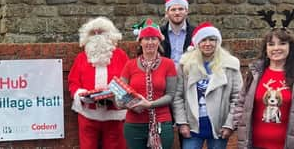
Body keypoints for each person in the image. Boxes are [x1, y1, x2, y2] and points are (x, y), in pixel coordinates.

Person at [231, 27, 294, 149]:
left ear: (290, 47)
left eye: (282, 43)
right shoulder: (255, 74)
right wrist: (240, 125)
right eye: (271, 44)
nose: (276, 48)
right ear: (266, 49)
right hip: (254, 145)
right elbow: (241, 104)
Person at [173, 22, 242, 149]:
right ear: (197, 43)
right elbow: (178, 97)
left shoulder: (230, 65)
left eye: (212, 39)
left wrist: (230, 124)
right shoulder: (186, 65)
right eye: (203, 40)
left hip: (219, 126)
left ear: (218, 42)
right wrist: (182, 123)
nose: (208, 43)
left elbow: (237, 98)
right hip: (192, 125)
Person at [68, 17, 130, 149]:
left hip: (114, 114)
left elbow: (128, 80)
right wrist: (81, 94)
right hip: (88, 114)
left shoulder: (120, 56)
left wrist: (116, 94)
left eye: (100, 32)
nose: (97, 36)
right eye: (93, 33)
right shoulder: (81, 58)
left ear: (110, 35)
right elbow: (73, 81)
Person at [121, 18, 177, 149]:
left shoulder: (168, 64)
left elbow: (170, 95)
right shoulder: (130, 65)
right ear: (140, 42)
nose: (150, 42)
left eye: (154, 39)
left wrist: (150, 104)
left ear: (159, 41)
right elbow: (121, 92)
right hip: (134, 123)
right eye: (146, 39)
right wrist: (131, 104)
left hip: (161, 122)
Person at [160, 0, 196, 64]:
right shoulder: (160, 33)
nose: (177, 12)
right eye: (173, 10)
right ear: (167, 13)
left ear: (186, 11)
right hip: (166, 73)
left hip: (189, 72)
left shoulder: (195, 32)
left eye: (180, 9)